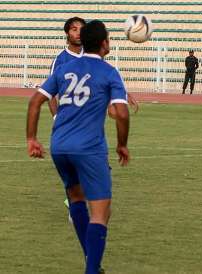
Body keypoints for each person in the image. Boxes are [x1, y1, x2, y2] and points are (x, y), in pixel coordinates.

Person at [26, 20, 130, 274]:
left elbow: (35, 102)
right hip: (89, 148)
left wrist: (31, 138)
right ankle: (92, 270)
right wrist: (121, 145)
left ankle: (91, 262)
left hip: (59, 146)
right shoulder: (109, 72)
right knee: (101, 213)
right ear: (105, 43)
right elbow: (123, 114)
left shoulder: (66, 68)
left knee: (75, 198)